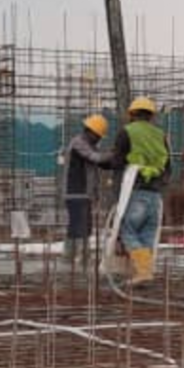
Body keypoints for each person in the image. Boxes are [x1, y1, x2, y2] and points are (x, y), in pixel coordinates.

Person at [105, 96, 171, 284]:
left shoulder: (127, 132)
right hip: (155, 194)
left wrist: (102, 161)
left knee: (128, 231)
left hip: (136, 190)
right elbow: (168, 167)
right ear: (151, 115)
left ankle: (142, 271)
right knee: (147, 234)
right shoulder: (161, 135)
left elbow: (117, 162)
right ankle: (144, 273)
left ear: (132, 114)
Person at [62, 114, 112, 267]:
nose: (99, 139)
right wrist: (115, 154)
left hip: (83, 193)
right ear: (92, 132)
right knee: (80, 226)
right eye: (99, 136)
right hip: (76, 192)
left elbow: (100, 165)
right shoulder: (78, 143)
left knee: (80, 226)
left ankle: (70, 259)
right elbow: (95, 158)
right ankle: (81, 259)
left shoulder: (89, 145)